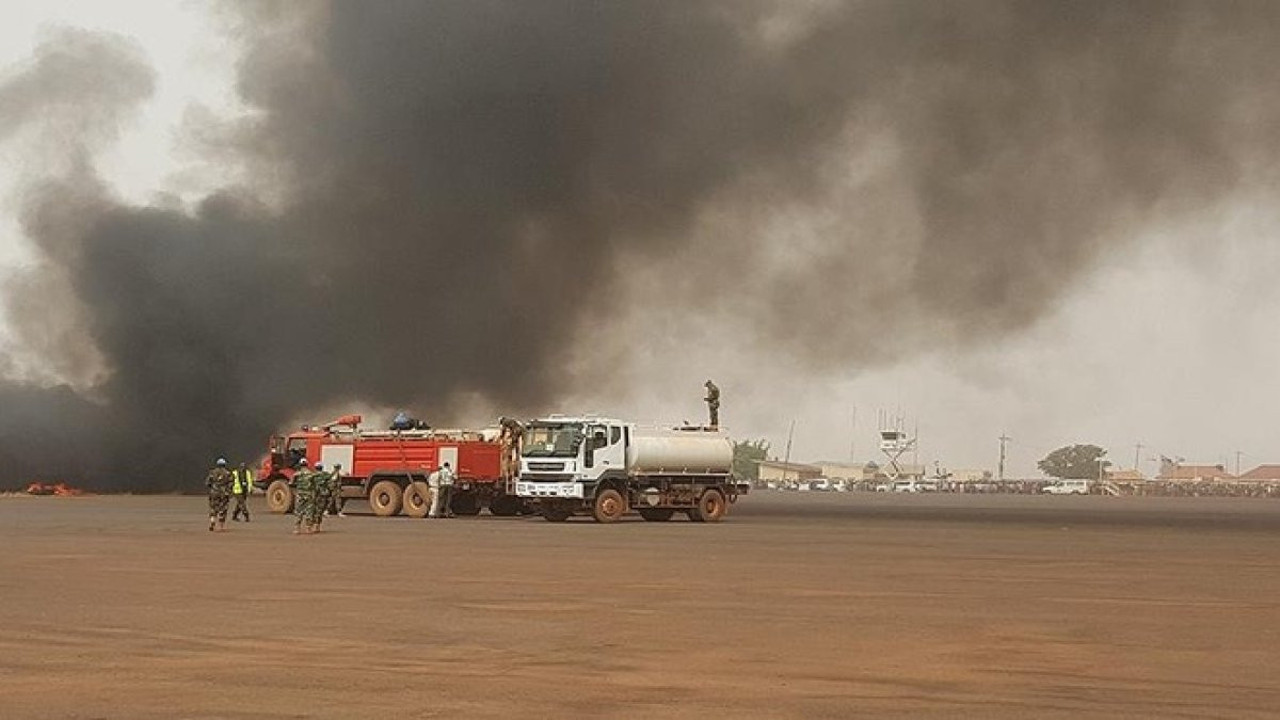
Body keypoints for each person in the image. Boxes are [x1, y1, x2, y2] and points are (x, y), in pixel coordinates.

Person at [206, 458, 233, 532]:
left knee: (213, 507)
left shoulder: (212, 472)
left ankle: (212, 521)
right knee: (223, 508)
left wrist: (213, 488)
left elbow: (208, 483)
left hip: (214, 492)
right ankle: (221, 526)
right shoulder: (228, 473)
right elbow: (231, 484)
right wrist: (228, 491)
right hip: (224, 493)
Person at [292, 458, 315, 535]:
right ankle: (308, 528)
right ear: (307, 465)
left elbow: (291, 483)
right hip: (309, 494)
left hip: (300, 494)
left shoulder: (296, 474)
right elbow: (314, 484)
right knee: (309, 511)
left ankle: (297, 529)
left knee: (299, 511)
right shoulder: (311, 474)